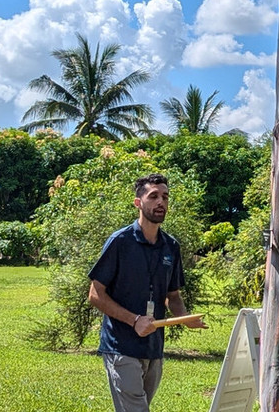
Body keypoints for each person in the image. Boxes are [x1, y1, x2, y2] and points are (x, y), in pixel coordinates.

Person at [88, 173, 207, 412]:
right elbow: (95, 293)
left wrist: (185, 318)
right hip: (121, 345)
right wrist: (134, 320)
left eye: (165, 197)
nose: (160, 202)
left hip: (153, 347)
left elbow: (173, 296)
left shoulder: (170, 246)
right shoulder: (120, 241)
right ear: (138, 203)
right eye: (153, 196)